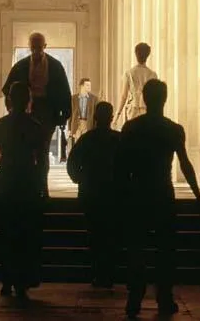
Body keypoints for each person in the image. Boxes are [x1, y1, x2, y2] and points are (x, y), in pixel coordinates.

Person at [117, 79, 200, 318]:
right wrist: (198, 196)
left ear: (144, 99)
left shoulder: (131, 128)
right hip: (162, 192)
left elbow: (121, 167)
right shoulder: (173, 129)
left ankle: (134, 298)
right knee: (165, 249)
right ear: (164, 99)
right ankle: (164, 298)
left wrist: (121, 195)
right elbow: (186, 165)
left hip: (137, 193)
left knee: (136, 248)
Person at [0, 81, 44, 300]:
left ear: (9, 101)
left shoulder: (0, 125)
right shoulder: (35, 126)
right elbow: (42, 162)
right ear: (28, 101)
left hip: (6, 182)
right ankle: (22, 280)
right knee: (25, 234)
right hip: (27, 184)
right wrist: (41, 185)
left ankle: (6, 280)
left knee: (5, 233)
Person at [1, 32, 71, 197]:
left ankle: (42, 185)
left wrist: (63, 116)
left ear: (45, 47)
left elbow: (65, 93)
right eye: (33, 48)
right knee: (26, 150)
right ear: (29, 47)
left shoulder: (55, 66)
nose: (36, 51)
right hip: (25, 112)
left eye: (39, 47)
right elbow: (7, 90)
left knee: (43, 149)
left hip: (47, 112)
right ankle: (28, 186)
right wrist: (13, 110)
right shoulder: (21, 66)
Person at [66, 100, 121, 288]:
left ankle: (97, 271)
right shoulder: (119, 140)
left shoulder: (87, 139)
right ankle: (109, 273)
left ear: (95, 118)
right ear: (112, 118)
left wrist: (80, 180)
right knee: (111, 234)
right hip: (113, 194)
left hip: (91, 193)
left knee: (95, 233)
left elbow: (72, 163)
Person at [114, 42, 158, 128]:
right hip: (147, 110)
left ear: (136, 54)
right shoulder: (153, 74)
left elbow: (124, 96)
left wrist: (117, 115)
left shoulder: (129, 73)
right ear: (147, 56)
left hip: (133, 110)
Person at [69, 77, 97, 145]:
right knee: (77, 144)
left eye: (90, 85)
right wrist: (70, 128)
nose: (89, 87)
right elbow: (71, 114)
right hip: (77, 124)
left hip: (87, 123)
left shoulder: (94, 99)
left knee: (87, 143)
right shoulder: (73, 98)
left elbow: (95, 115)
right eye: (87, 85)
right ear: (82, 86)